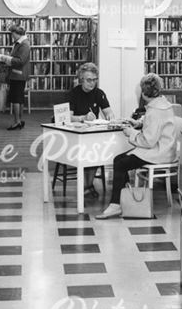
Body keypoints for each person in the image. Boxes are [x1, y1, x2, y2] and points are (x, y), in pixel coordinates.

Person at [95, 73, 176, 220]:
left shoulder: (154, 111)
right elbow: (156, 127)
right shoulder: (163, 105)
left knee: (120, 163)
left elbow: (147, 141)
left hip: (157, 153)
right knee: (120, 160)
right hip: (165, 149)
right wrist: (139, 123)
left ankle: (116, 204)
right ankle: (122, 199)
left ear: (144, 93)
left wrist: (131, 132)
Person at [66, 63, 115, 197]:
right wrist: (83, 118)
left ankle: (87, 185)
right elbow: (67, 117)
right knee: (89, 150)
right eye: (89, 80)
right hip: (75, 135)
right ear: (81, 78)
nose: (92, 83)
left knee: (97, 150)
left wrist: (110, 117)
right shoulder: (73, 94)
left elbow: (109, 112)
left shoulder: (99, 93)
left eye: (94, 80)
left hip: (92, 135)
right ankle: (87, 186)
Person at [0, 25, 31, 130]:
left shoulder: (24, 45)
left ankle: (17, 122)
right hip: (17, 74)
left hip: (18, 75)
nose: (12, 37)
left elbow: (20, 61)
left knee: (16, 99)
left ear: (18, 34)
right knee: (19, 99)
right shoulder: (20, 43)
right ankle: (19, 120)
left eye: (13, 34)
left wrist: (6, 58)